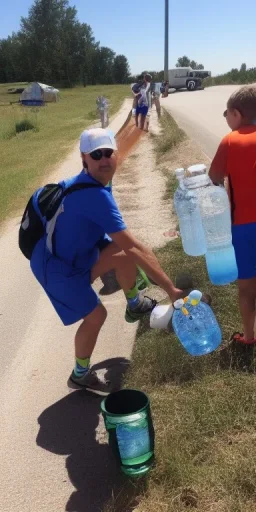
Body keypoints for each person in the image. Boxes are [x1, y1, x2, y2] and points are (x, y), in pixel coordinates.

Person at [30, 128, 183, 393]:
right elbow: (135, 246)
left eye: (108, 153)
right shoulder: (95, 195)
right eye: (96, 154)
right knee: (96, 315)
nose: (104, 159)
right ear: (84, 159)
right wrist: (172, 290)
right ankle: (79, 374)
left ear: (115, 154)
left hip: (75, 254)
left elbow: (123, 245)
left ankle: (134, 305)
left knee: (120, 252)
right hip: (56, 268)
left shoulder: (98, 180)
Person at [209, 85, 256, 347]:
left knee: (247, 287)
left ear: (236, 114)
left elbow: (214, 177)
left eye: (225, 113)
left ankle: (249, 337)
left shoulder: (230, 140)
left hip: (244, 227)